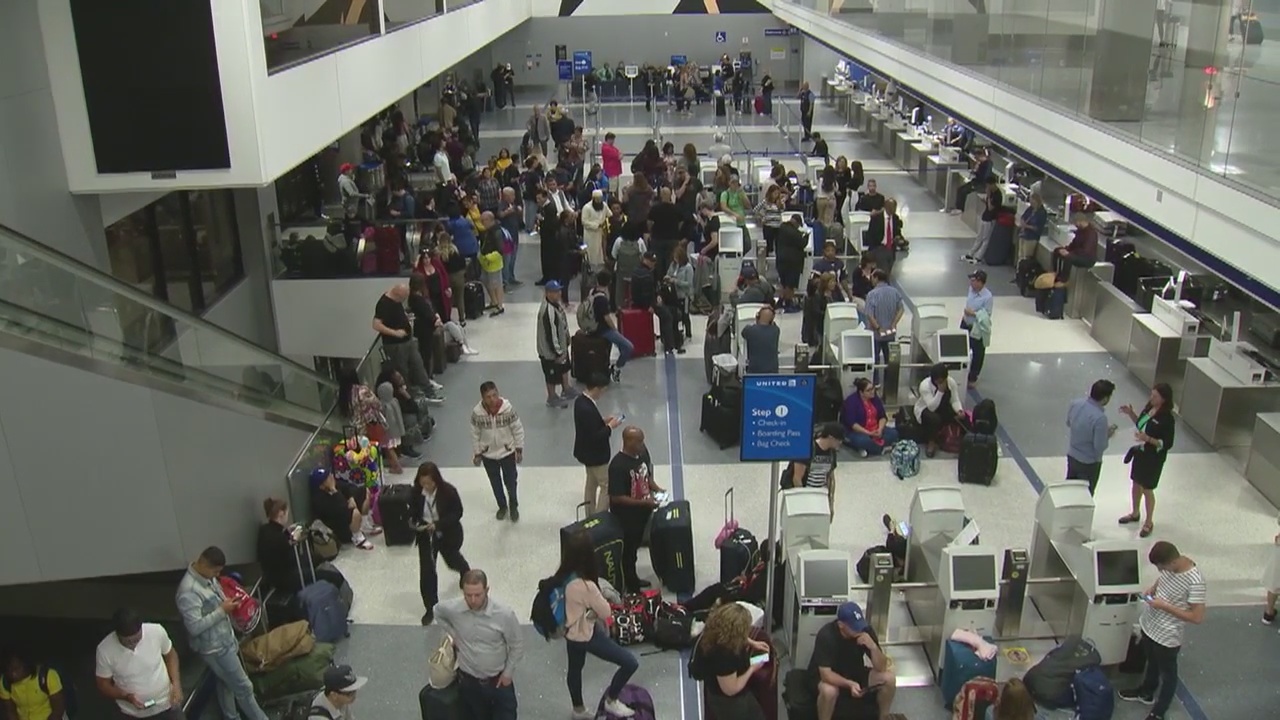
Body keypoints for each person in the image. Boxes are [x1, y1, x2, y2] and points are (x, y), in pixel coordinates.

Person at [175, 547, 270, 720]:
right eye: (215, 571)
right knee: (244, 687)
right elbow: (194, 627)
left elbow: (217, 601)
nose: (217, 575)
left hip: (225, 639)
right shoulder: (188, 592)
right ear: (204, 564)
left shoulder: (208, 578)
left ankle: (231, 717)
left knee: (226, 684)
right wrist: (222, 611)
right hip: (215, 649)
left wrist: (228, 604)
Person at [1118, 541, 1206, 720]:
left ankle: (1159, 711)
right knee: (1152, 662)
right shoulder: (1172, 567)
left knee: (1168, 675)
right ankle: (1146, 691)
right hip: (1150, 626)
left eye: (1161, 567)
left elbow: (1197, 617)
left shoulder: (1195, 581)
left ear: (1172, 562)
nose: (1160, 571)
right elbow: (1164, 579)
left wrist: (1164, 606)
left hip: (1167, 636)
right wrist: (1153, 588)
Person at [559, 531, 641, 719]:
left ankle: (578, 709)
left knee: (575, 670)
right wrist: (601, 596)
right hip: (586, 633)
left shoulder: (563, 575)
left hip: (570, 632)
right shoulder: (586, 586)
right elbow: (606, 612)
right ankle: (611, 700)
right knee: (629, 663)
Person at [435, 570, 523, 720]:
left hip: (497, 682)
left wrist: (508, 673)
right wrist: (453, 634)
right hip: (469, 683)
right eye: (468, 595)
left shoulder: (504, 614)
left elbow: (517, 644)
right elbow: (437, 611)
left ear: (487, 590)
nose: (473, 600)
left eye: (477, 595)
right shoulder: (454, 609)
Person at [811, 602, 896, 720]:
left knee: (889, 679)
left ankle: (883, 717)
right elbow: (826, 675)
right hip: (829, 676)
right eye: (854, 627)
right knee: (829, 691)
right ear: (841, 625)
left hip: (855, 672)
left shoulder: (865, 631)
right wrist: (849, 684)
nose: (859, 629)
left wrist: (873, 647)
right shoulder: (827, 635)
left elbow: (881, 667)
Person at [95, 609, 184, 720]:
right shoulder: (104, 650)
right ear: (117, 635)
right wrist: (126, 696)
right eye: (128, 642)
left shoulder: (156, 631)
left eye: (137, 639)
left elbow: (170, 655)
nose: (133, 644)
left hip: (168, 704)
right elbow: (103, 684)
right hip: (131, 714)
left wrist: (176, 684)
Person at [411, 463, 470, 625]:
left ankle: (464, 569)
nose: (426, 486)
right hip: (426, 536)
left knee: (452, 559)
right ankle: (431, 607)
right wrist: (415, 523)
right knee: (427, 571)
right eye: (423, 483)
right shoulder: (416, 493)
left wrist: (438, 524)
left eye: (429, 483)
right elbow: (412, 512)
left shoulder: (448, 492)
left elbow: (457, 512)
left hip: (447, 533)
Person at [608, 427, 665, 592]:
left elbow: (647, 477)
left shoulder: (641, 455)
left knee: (635, 547)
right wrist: (643, 503)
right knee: (628, 553)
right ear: (628, 441)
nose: (642, 444)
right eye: (639, 441)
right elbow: (616, 497)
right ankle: (631, 585)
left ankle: (633, 579)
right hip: (627, 518)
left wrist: (658, 490)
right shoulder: (618, 465)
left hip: (642, 514)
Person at [692, 603, 771, 719]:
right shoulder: (725, 655)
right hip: (729, 702)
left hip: (716, 687)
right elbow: (730, 689)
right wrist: (752, 668)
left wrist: (751, 642)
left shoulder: (713, 632)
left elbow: (731, 633)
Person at [1117, 383, 1175, 537]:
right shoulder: (1149, 409)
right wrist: (1131, 413)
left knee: (1147, 489)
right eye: (1151, 394)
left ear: (1164, 399)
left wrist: (1148, 439)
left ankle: (1149, 521)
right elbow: (1141, 424)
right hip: (1141, 453)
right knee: (1136, 483)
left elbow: (1167, 443)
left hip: (1153, 458)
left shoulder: (1167, 419)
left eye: (1155, 396)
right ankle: (1135, 512)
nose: (1151, 398)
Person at [470, 381, 525, 522]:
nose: (492, 399)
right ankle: (502, 506)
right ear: (482, 398)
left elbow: (517, 429)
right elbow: (475, 434)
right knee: (495, 483)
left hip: (507, 452)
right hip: (488, 455)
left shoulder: (508, 409)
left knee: (511, 481)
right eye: (488, 397)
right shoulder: (477, 413)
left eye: (494, 395)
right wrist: (477, 453)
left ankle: (513, 506)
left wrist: (519, 449)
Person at [339, 366, 404, 475]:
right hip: (370, 423)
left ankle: (366, 471)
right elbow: (377, 404)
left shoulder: (343, 394)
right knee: (385, 446)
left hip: (355, 427)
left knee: (361, 451)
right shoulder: (362, 390)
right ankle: (396, 467)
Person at [373, 284, 433, 393]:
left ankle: (427, 389)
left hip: (407, 340)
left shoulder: (396, 301)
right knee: (402, 371)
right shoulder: (383, 304)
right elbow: (376, 325)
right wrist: (395, 333)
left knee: (417, 364)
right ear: (398, 295)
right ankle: (408, 395)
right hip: (395, 345)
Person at [574, 373, 620, 514]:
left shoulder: (580, 402)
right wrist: (610, 426)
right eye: (602, 390)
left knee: (591, 484)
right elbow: (595, 436)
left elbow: (588, 426)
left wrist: (602, 421)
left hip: (585, 453)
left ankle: (589, 513)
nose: (602, 394)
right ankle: (600, 517)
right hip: (596, 455)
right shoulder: (587, 409)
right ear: (596, 389)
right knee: (606, 486)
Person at [1065, 379, 1118, 495]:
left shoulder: (1075, 404)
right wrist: (1107, 434)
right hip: (1088, 464)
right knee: (1085, 495)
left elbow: (1069, 423)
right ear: (1105, 398)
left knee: (1070, 490)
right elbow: (1099, 446)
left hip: (1072, 456)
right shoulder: (1100, 418)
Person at [783, 423, 843, 516]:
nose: (840, 443)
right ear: (831, 437)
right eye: (839, 440)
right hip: (806, 494)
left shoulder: (832, 453)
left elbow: (830, 477)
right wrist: (804, 502)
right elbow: (797, 478)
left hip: (821, 495)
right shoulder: (807, 449)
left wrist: (830, 503)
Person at [629, 251, 682, 354]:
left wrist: (657, 295)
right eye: (651, 261)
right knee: (667, 315)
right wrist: (650, 305)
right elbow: (646, 293)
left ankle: (667, 341)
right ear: (645, 260)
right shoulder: (646, 275)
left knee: (667, 312)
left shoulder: (637, 270)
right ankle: (669, 346)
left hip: (640, 301)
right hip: (645, 303)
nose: (653, 264)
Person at [311, 468, 376, 550]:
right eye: (328, 478)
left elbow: (351, 487)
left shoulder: (335, 484)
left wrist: (352, 498)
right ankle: (358, 538)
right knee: (354, 512)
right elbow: (342, 509)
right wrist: (334, 490)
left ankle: (364, 525)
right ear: (321, 485)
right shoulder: (319, 500)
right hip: (340, 528)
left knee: (364, 491)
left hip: (344, 514)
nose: (331, 478)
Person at [536, 281, 576, 407]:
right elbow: (551, 334)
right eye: (555, 291)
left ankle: (566, 388)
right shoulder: (548, 311)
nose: (559, 293)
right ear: (548, 293)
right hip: (550, 352)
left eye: (559, 290)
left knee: (564, 367)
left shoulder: (556, 305)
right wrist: (558, 352)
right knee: (551, 374)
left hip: (560, 346)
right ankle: (552, 397)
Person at [914, 363, 967, 458]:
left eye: (943, 381)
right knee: (934, 419)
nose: (941, 383)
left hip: (943, 406)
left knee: (961, 418)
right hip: (926, 409)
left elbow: (954, 400)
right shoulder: (924, 386)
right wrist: (940, 391)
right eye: (938, 381)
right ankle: (931, 442)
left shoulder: (951, 383)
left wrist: (959, 410)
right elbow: (932, 407)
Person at [589, 270, 633, 383]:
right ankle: (617, 368)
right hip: (603, 330)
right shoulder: (602, 299)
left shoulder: (592, 292)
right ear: (609, 283)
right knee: (628, 347)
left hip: (594, 326)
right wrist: (615, 329)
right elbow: (607, 318)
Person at [841, 378, 901, 458]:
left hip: (875, 429)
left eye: (873, 389)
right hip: (859, 431)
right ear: (861, 392)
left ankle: (873, 448)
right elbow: (853, 424)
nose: (872, 392)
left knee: (894, 433)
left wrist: (880, 429)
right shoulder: (851, 401)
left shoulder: (875, 398)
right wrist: (869, 433)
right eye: (868, 390)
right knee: (863, 441)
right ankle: (881, 447)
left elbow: (882, 417)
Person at [3, 649, 70, 720]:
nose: (13, 674)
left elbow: (58, 710)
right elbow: (10, 711)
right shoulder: (5, 682)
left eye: (17, 669)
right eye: (9, 670)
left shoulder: (47, 676)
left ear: (26, 664)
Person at [862, 269, 903, 369]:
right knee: (890, 361)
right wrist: (894, 323)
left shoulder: (872, 294)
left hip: (876, 334)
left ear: (876, 278)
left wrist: (878, 328)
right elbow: (901, 309)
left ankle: (875, 378)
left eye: (872, 277)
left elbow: (869, 315)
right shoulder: (895, 292)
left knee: (874, 361)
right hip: (890, 333)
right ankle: (889, 377)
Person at [960, 270, 994, 387]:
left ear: (980, 282)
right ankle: (960, 373)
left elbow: (987, 314)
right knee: (961, 348)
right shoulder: (971, 290)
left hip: (977, 328)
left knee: (978, 353)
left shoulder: (987, 297)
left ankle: (973, 377)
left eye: (974, 280)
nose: (971, 282)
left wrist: (973, 314)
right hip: (966, 324)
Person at [962, 179, 1004, 263]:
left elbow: (991, 208)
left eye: (988, 186)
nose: (987, 188)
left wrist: (988, 197)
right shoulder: (991, 193)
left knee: (986, 239)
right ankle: (971, 254)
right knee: (979, 237)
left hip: (991, 219)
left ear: (992, 184)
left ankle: (979, 257)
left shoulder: (997, 195)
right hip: (985, 217)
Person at [774, 214, 808, 312]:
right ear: (797, 222)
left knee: (783, 283)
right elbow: (803, 243)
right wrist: (806, 236)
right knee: (790, 284)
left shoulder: (781, 228)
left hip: (780, 260)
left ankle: (781, 301)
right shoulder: (795, 232)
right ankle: (789, 303)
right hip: (792, 262)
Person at [477, 212, 506, 317]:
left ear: (489, 220)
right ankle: (494, 301)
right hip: (486, 262)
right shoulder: (487, 231)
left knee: (496, 284)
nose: (482, 223)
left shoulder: (497, 232)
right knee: (486, 281)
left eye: (483, 221)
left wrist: (489, 257)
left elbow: (500, 249)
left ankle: (500, 306)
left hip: (494, 262)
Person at [1054, 213, 1099, 280]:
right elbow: (1074, 243)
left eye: (1075, 223)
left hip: (1087, 259)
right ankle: (1055, 273)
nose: (1075, 225)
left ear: (1080, 221)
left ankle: (1063, 279)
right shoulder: (1080, 231)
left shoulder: (1091, 233)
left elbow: (1086, 251)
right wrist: (1066, 249)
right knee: (1057, 250)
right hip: (1077, 253)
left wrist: (1070, 253)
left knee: (1069, 257)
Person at [950, 147, 993, 214]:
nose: (976, 159)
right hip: (976, 182)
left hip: (980, 184)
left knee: (963, 191)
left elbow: (983, 177)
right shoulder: (983, 163)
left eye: (976, 157)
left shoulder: (986, 164)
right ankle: (958, 207)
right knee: (960, 189)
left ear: (980, 155)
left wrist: (976, 171)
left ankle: (960, 208)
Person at [741, 305, 781, 375]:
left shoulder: (749, 330)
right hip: (772, 372)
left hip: (754, 372)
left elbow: (743, 333)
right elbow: (774, 325)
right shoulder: (776, 330)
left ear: (758, 317)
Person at [581, 190, 609, 270]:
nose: (599, 201)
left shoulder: (604, 205)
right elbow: (584, 222)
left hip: (601, 234)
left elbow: (609, 215)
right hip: (590, 235)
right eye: (597, 199)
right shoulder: (587, 207)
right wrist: (597, 225)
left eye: (600, 199)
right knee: (591, 255)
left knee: (600, 254)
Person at [1017, 192, 1048, 262]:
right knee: (1020, 255)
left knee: (1026, 256)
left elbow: (1038, 228)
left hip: (1031, 237)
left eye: (1032, 201)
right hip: (1023, 234)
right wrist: (1022, 222)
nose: (1031, 203)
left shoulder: (1042, 213)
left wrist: (1026, 226)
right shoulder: (1030, 209)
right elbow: (1023, 217)